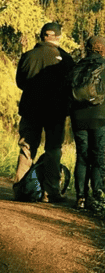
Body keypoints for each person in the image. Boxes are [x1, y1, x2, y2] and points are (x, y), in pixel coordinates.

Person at [14, 22, 74, 203]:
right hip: (55, 112)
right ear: (58, 37)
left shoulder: (28, 56)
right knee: (53, 150)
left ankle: (21, 190)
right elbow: (71, 86)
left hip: (31, 109)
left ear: (41, 36)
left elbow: (20, 82)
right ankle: (51, 192)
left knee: (27, 147)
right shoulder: (66, 58)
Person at [70, 35, 105, 209]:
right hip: (103, 117)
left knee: (82, 156)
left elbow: (68, 91)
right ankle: (98, 196)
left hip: (79, 117)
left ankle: (80, 197)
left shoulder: (77, 66)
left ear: (86, 48)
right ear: (103, 49)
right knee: (98, 156)